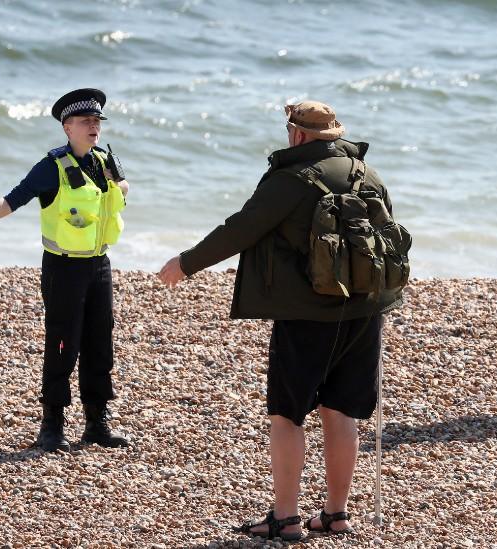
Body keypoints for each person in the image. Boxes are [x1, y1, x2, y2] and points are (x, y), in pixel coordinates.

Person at [158, 101, 403, 540]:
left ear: (297, 135)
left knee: (287, 415)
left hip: (308, 315)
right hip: (366, 308)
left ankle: (285, 517)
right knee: (342, 409)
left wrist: (186, 263)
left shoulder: (291, 179)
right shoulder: (367, 173)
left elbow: (242, 228)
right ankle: (336, 513)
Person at [0, 88, 131, 451]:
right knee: (63, 343)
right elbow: (13, 199)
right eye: (85, 122)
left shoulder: (105, 161)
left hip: (99, 265)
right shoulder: (52, 167)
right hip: (63, 269)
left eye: (96, 121)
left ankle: (96, 423)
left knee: (99, 342)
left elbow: (118, 194)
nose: (93, 127)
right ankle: (52, 425)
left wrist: (121, 183)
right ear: (67, 128)